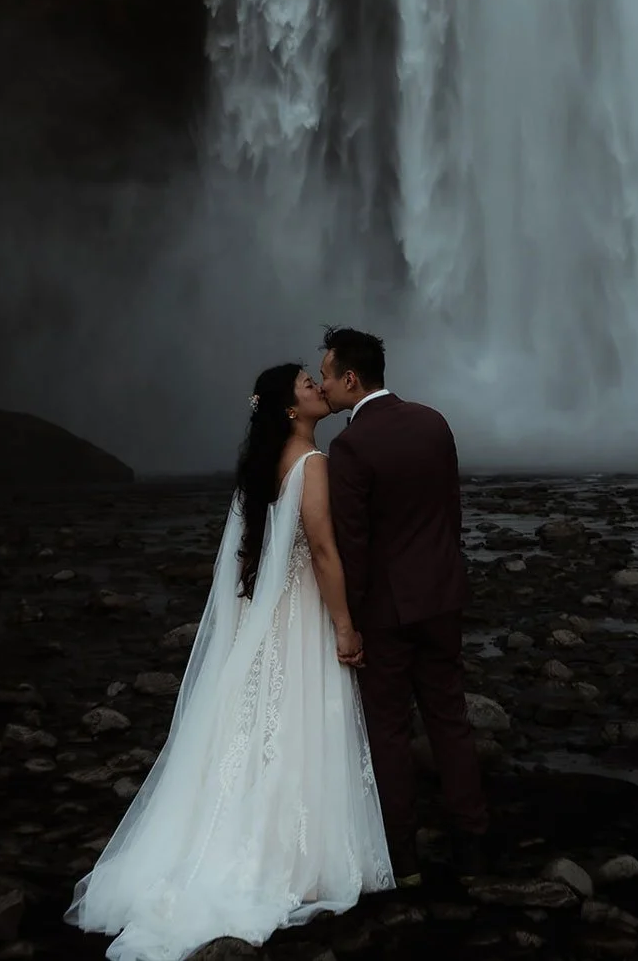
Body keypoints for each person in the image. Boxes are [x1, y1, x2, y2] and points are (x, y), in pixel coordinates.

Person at [65, 364, 393, 961]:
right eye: (306, 384)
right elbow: (320, 549)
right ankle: (297, 855)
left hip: (262, 618)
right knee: (294, 721)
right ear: (291, 409)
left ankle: (245, 837)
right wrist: (345, 624)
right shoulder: (313, 465)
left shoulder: (260, 470)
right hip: (298, 616)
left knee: (252, 725)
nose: (319, 387)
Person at [319, 326, 488, 887]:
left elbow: (353, 542)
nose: (322, 386)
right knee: (450, 722)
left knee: (388, 731)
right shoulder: (432, 421)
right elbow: (450, 511)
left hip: (388, 611)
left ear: (350, 377)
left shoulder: (350, 446)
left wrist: (352, 621)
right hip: (441, 596)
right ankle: (472, 846)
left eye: (326, 375)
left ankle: (404, 860)